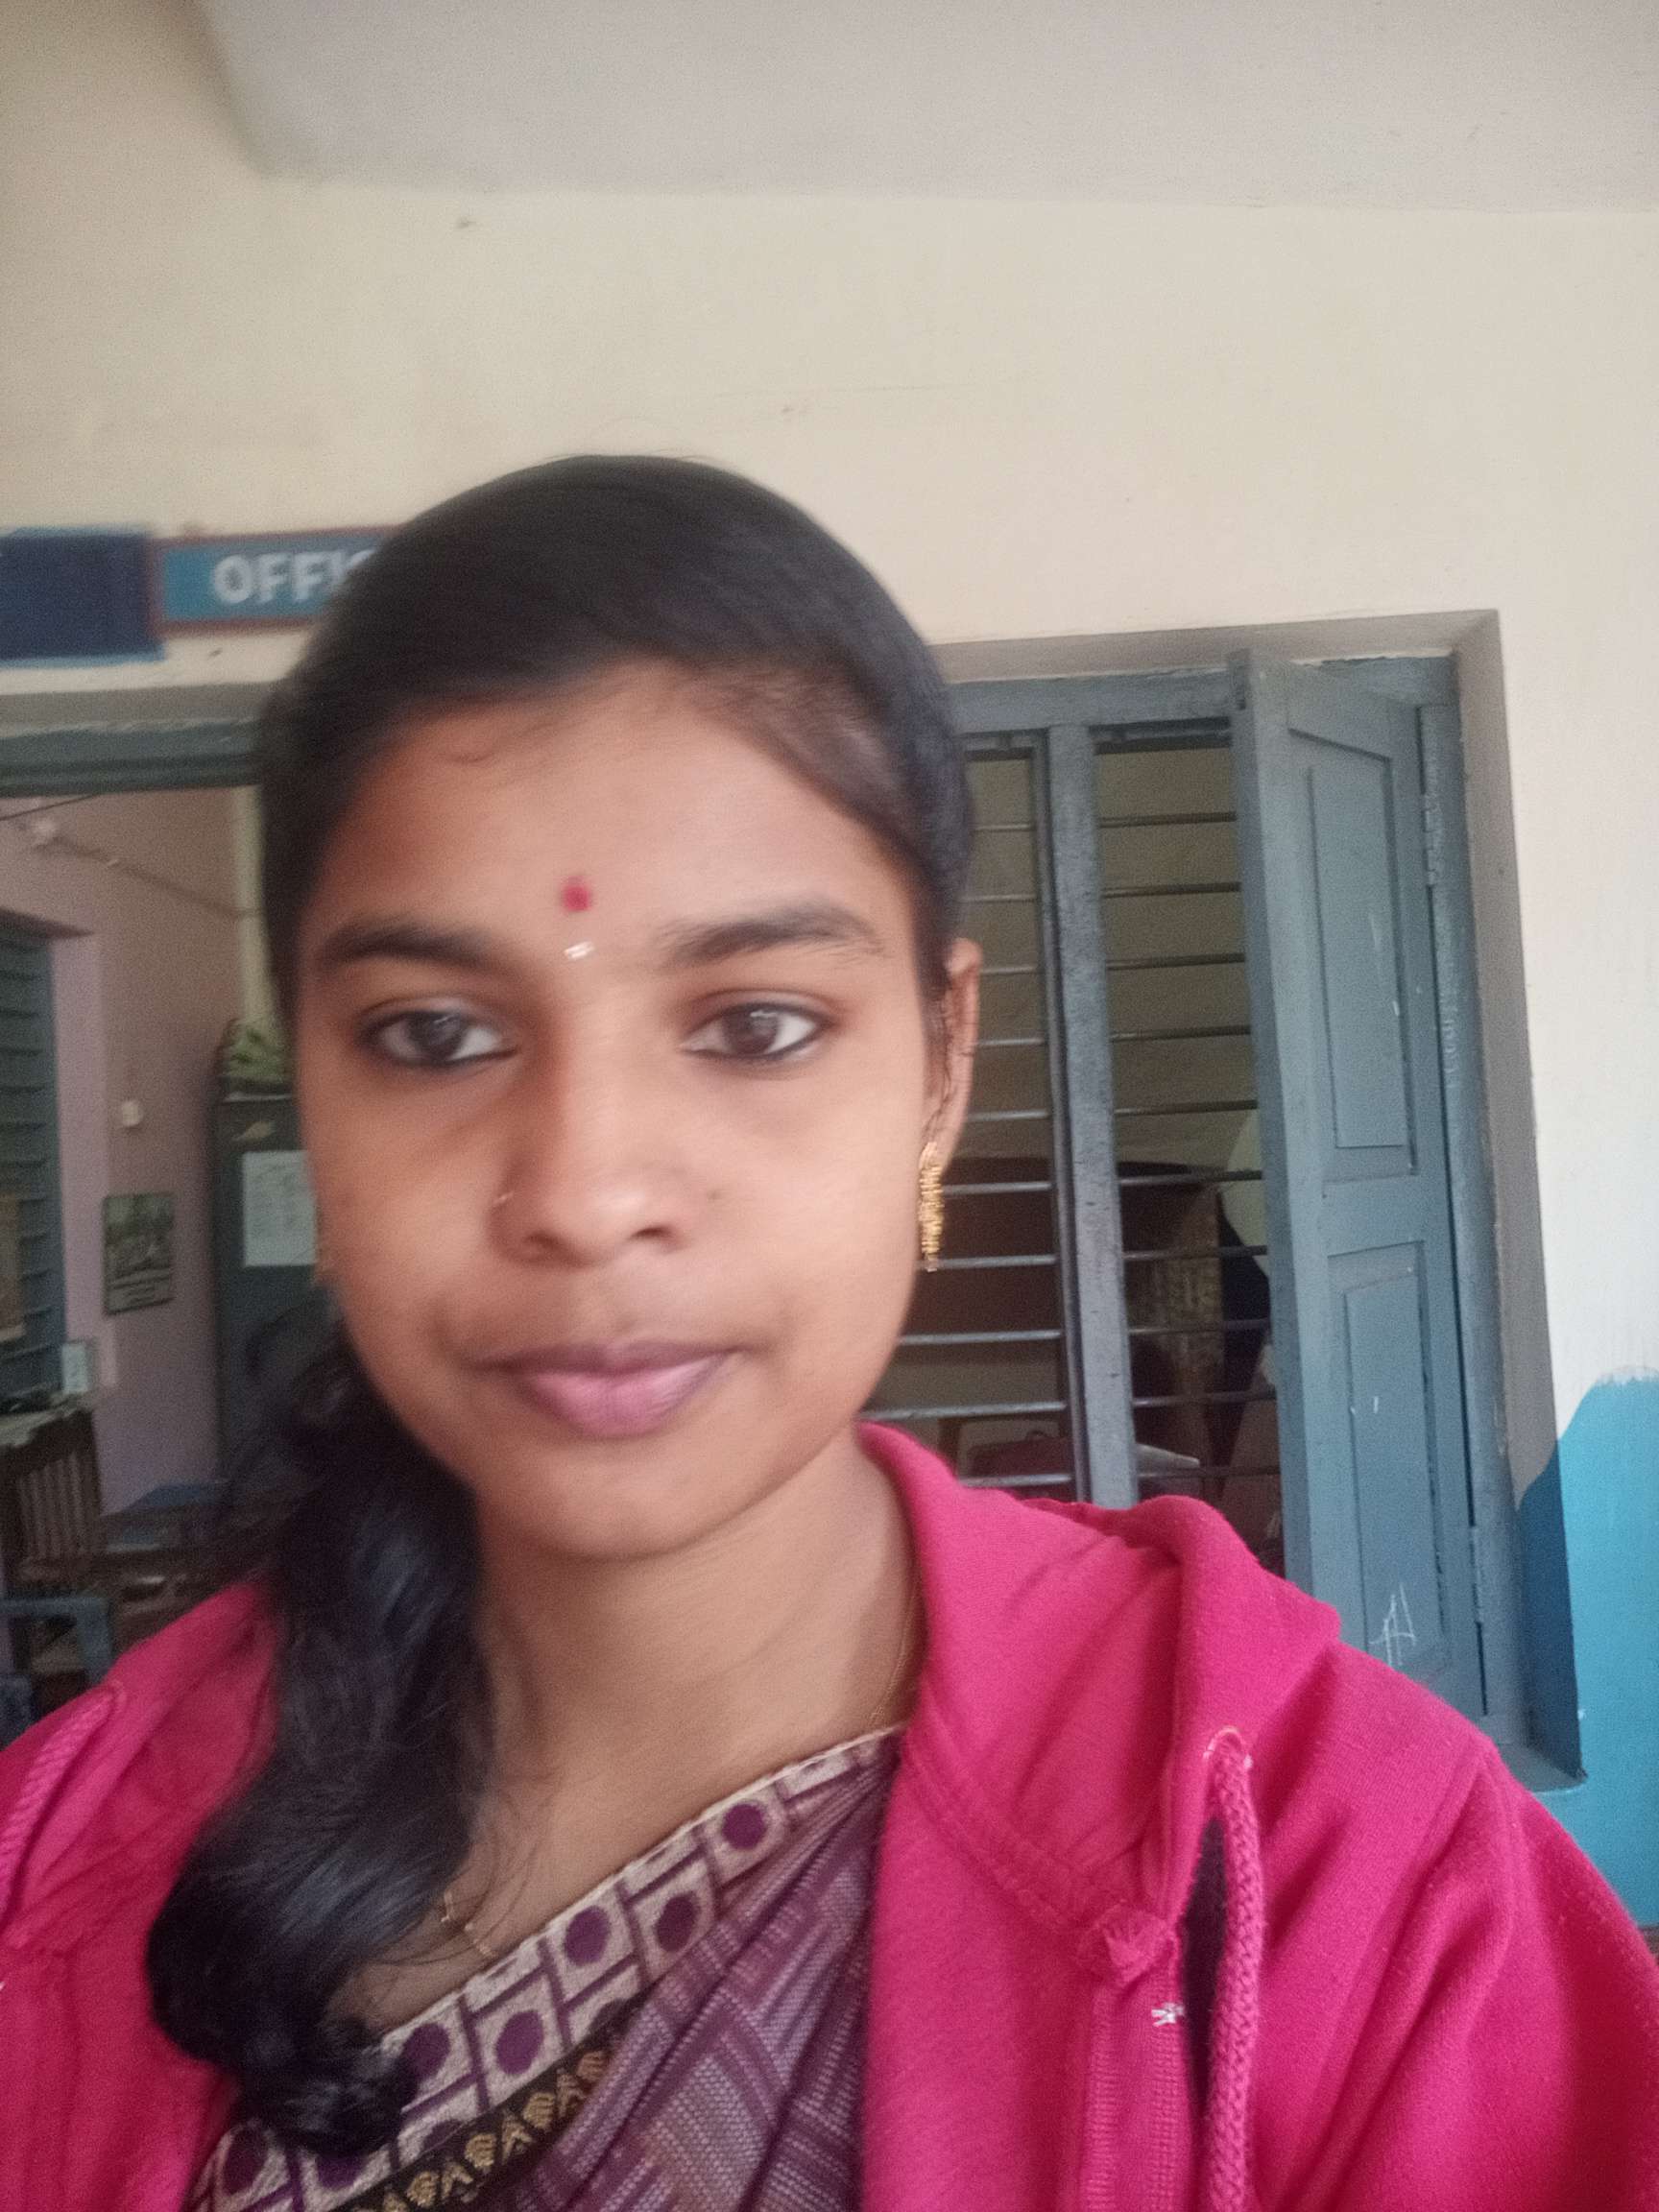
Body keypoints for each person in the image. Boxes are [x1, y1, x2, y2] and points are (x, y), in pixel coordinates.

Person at [1, 457, 1656, 2212]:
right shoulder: (61, 1866)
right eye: (432, 1036)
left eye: (759, 1026)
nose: (587, 1193)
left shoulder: (1337, 1878)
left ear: (942, 1065)